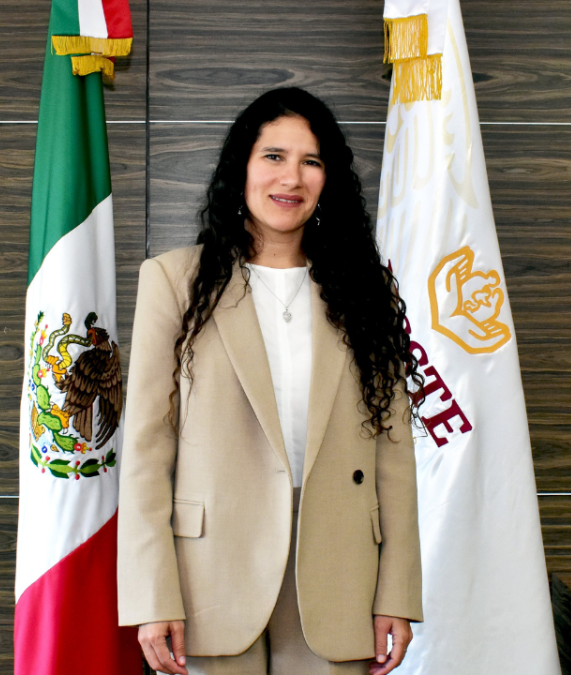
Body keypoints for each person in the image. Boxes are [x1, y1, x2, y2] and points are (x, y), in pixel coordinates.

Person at [117, 87, 423, 675]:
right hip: (209, 575)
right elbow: (146, 452)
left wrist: (398, 593)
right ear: (243, 168)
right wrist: (152, 596)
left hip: (340, 570)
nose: (292, 177)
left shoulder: (366, 290)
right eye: (274, 156)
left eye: (312, 161)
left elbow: (394, 453)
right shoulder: (174, 281)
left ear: (328, 179)